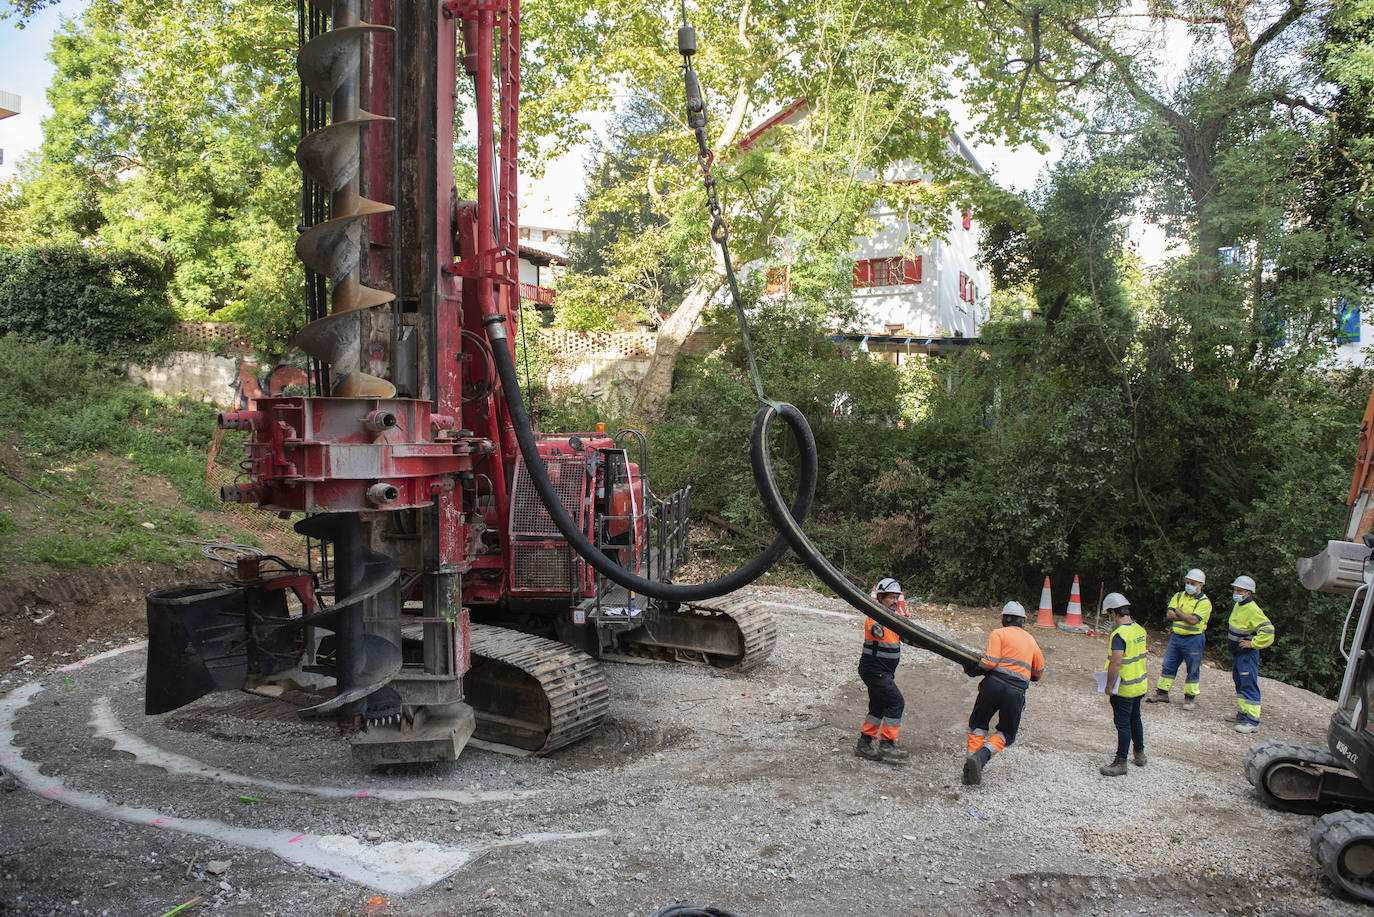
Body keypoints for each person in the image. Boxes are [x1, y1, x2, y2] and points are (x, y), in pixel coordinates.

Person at [962, 601, 1046, 786]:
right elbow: (1039, 672)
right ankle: (982, 758)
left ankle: (969, 770)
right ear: (1023, 622)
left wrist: (975, 668)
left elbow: (990, 662)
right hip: (1016, 692)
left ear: (1003, 620)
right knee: (1006, 733)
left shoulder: (998, 633)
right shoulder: (1031, 640)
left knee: (979, 724)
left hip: (993, 685)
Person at [855, 578, 912, 764]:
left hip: (883, 672)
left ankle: (864, 743)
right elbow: (876, 630)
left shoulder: (894, 620)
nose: (895, 601)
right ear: (880, 598)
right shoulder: (875, 617)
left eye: (897, 598)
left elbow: (909, 639)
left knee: (878, 705)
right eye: (891, 598)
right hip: (874, 670)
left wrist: (931, 644)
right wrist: (883, 624)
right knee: (896, 702)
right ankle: (887, 745)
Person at [1147, 568, 1213, 710]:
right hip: (1176, 637)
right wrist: (1183, 615)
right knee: (1168, 664)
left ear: (1201, 585)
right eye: (1188, 582)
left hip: (1194, 639)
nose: (1189, 585)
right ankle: (1162, 693)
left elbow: (1193, 620)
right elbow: (1170, 615)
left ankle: (1190, 698)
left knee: (1193, 668)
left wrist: (1179, 612)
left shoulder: (1204, 602)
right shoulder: (1178, 596)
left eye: (1193, 583)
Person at [1100, 592, 1148, 777]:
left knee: (1123, 723)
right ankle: (1140, 753)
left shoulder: (1119, 635)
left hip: (1125, 687)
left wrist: (1109, 686)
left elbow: (1116, 662)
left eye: (1109, 615)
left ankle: (1121, 762)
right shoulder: (1139, 630)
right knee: (1135, 718)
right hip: (1139, 685)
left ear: (1113, 613)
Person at [1228, 575, 1274, 734]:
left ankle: (1252, 721)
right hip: (1238, 653)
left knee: (1248, 683)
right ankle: (1243, 713)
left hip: (1247, 654)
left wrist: (1252, 643)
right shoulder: (1239, 605)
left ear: (1248, 593)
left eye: (1239, 590)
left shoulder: (1252, 609)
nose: (1236, 592)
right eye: (1235, 589)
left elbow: (1268, 630)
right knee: (1239, 682)